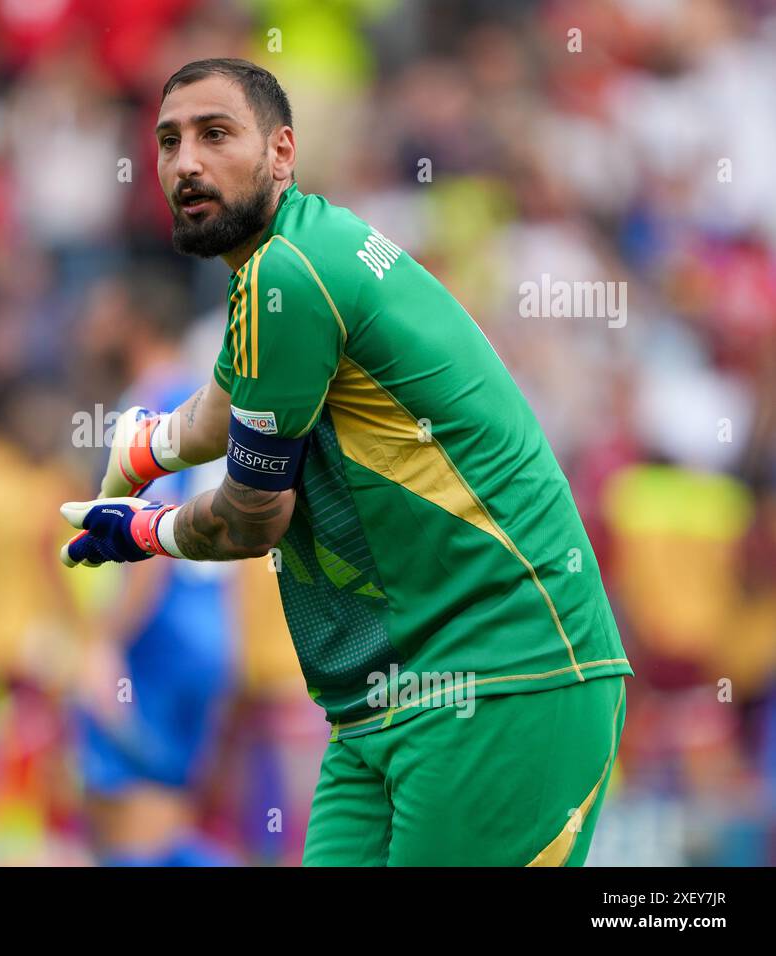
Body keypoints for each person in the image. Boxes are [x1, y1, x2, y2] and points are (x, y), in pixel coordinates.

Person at [59, 58, 633, 866]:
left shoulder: (287, 277)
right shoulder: (289, 262)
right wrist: (146, 445)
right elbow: (221, 405)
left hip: (503, 674)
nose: (185, 161)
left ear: (282, 152)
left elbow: (255, 517)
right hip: (382, 701)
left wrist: (145, 531)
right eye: (168, 141)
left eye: (215, 134)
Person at [75, 273, 236, 866]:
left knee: (124, 825)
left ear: (135, 327)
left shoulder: (146, 406)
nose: (89, 327)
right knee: (166, 814)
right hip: (209, 633)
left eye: (103, 313)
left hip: (156, 640)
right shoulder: (201, 404)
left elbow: (151, 536)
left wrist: (103, 643)